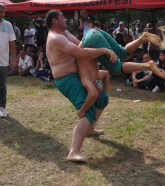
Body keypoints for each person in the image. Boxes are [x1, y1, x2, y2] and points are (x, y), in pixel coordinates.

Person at [46, 9, 116, 163]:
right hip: (67, 80)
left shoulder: (64, 34)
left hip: (76, 75)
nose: (66, 19)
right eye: (63, 17)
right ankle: (73, 152)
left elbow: (82, 45)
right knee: (88, 112)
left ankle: (90, 128)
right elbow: (81, 53)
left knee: (102, 99)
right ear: (54, 21)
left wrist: (98, 39)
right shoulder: (55, 37)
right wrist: (104, 50)